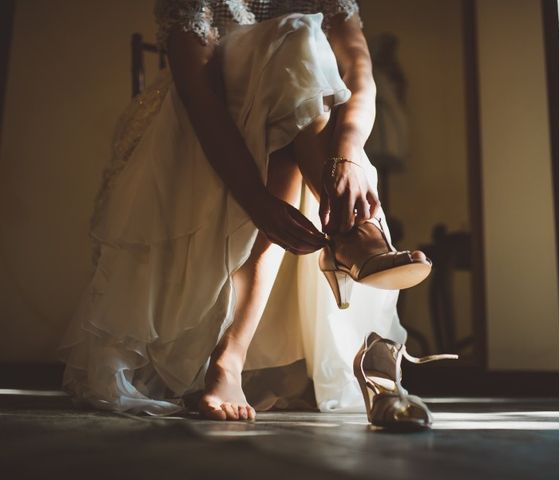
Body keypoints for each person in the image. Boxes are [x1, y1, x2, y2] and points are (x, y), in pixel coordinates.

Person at [58, 0, 431, 421]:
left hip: (302, 132)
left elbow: (359, 73)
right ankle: (354, 235)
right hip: (207, 129)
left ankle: (229, 359)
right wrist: (255, 200)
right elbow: (199, 96)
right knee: (295, 42)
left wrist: (346, 155)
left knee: (297, 75)